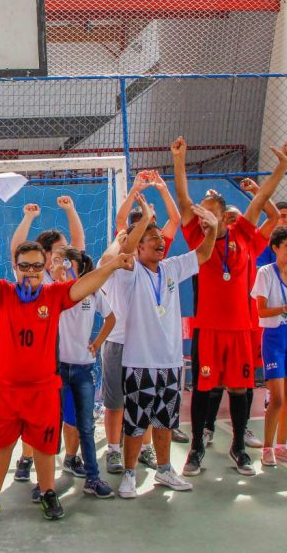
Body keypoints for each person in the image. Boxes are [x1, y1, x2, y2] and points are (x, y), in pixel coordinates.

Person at [0, 235, 134, 524]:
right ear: (16, 267)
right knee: (1, 444)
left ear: (44, 267)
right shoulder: (3, 294)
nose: (30, 271)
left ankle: (47, 493)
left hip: (43, 390)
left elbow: (84, 285)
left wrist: (113, 266)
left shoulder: (54, 295)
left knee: (44, 446)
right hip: (5, 390)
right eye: (25, 266)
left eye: (36, 266)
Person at [173, 138, 287, 478]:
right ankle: (196, 448)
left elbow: (259, 199)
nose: (199, 210)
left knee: (240, 389)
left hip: (240, 327)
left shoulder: (242, 233)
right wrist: (179, 159)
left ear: (224, 215)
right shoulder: (198, 236)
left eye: (206, 207)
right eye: (199, 208)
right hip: (208, 328)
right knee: (204, 389)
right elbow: (183, 200)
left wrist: (282, 167)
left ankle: (239, 445)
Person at [104, 195, 217, 497]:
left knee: (165, 420)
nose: (159, 242)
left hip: (170, 361)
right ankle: (130, 474)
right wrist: (144, 220)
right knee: (135, 422)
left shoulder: (171, 268)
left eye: (160, 238)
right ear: (139, 245)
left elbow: (203, 253)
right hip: (139, 361)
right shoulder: (129, 271)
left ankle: (165, 470)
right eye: (151, 238)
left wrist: (214, 229)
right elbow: (126, 248)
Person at [94, 171, 181, 476]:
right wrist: (134, 191)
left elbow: (174, 221)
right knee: (116, 401)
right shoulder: (122, 251)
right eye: (139, 227)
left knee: (144, 400)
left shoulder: (155, 253)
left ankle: (144, 448)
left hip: (146, 342)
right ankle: (114, 450)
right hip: (119, 339)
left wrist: (161, 189)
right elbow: (122, 220)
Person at [7, 196, 84, 484]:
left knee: (71, 415)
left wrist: (71, 209)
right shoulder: (35, 279)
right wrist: (27, 219)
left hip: (73, 358)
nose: (66, 254)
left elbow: (77, 241)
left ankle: (70, 458)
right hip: (44, 361)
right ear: (46, 256)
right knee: (37, 417)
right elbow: (17, 251)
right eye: (60, 251)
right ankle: (26, 460)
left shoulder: (71, 278)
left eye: (67, 251)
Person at [50, 245, 116, 498]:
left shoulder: (92, 292)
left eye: (64, 262)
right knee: (51, 424)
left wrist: (97, 343)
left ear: (76, 266)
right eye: (55, 262)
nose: (58, 266)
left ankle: (93, 478)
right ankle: (45, 483)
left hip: (83, 369)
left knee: (86, 426)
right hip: (56, 369)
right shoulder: (51, 292)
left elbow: (111, 318)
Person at [251, 228, 287, 466]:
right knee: (275, 398)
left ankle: (282, 445)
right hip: (274, 337)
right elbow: (261, 311)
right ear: (275, 247)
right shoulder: (265, 273)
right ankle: (267, 447)